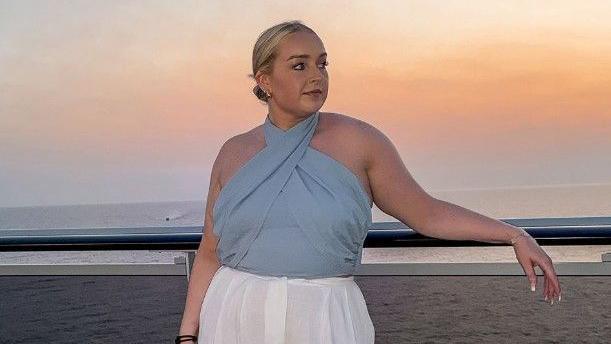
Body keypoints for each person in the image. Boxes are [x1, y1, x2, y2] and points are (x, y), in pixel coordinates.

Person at [176, 20, 562, 344]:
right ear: (265, 79)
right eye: (300, 66)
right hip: (234, 315)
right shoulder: (233, 153)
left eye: (323, 64)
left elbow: (425, 212)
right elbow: (210, 250)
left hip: (325, 318)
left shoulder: (359, 142)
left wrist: (513, 234)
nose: (317, 77)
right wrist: (187, 334)